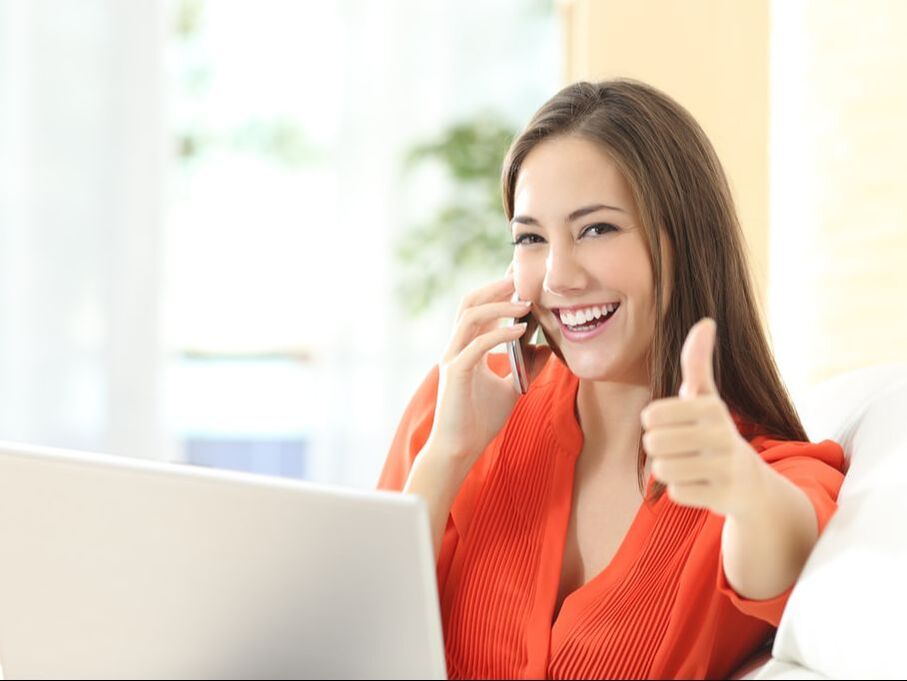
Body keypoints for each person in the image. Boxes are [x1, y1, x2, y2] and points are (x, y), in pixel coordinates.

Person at [377, 79, 846, 680]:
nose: (559, 277)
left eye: (596, 229)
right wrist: (447, 454)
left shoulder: (752, 470)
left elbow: (780, 547)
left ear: (685, 242)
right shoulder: (462, 406)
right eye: (531, 238)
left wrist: (742, 486)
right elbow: (348, 641)